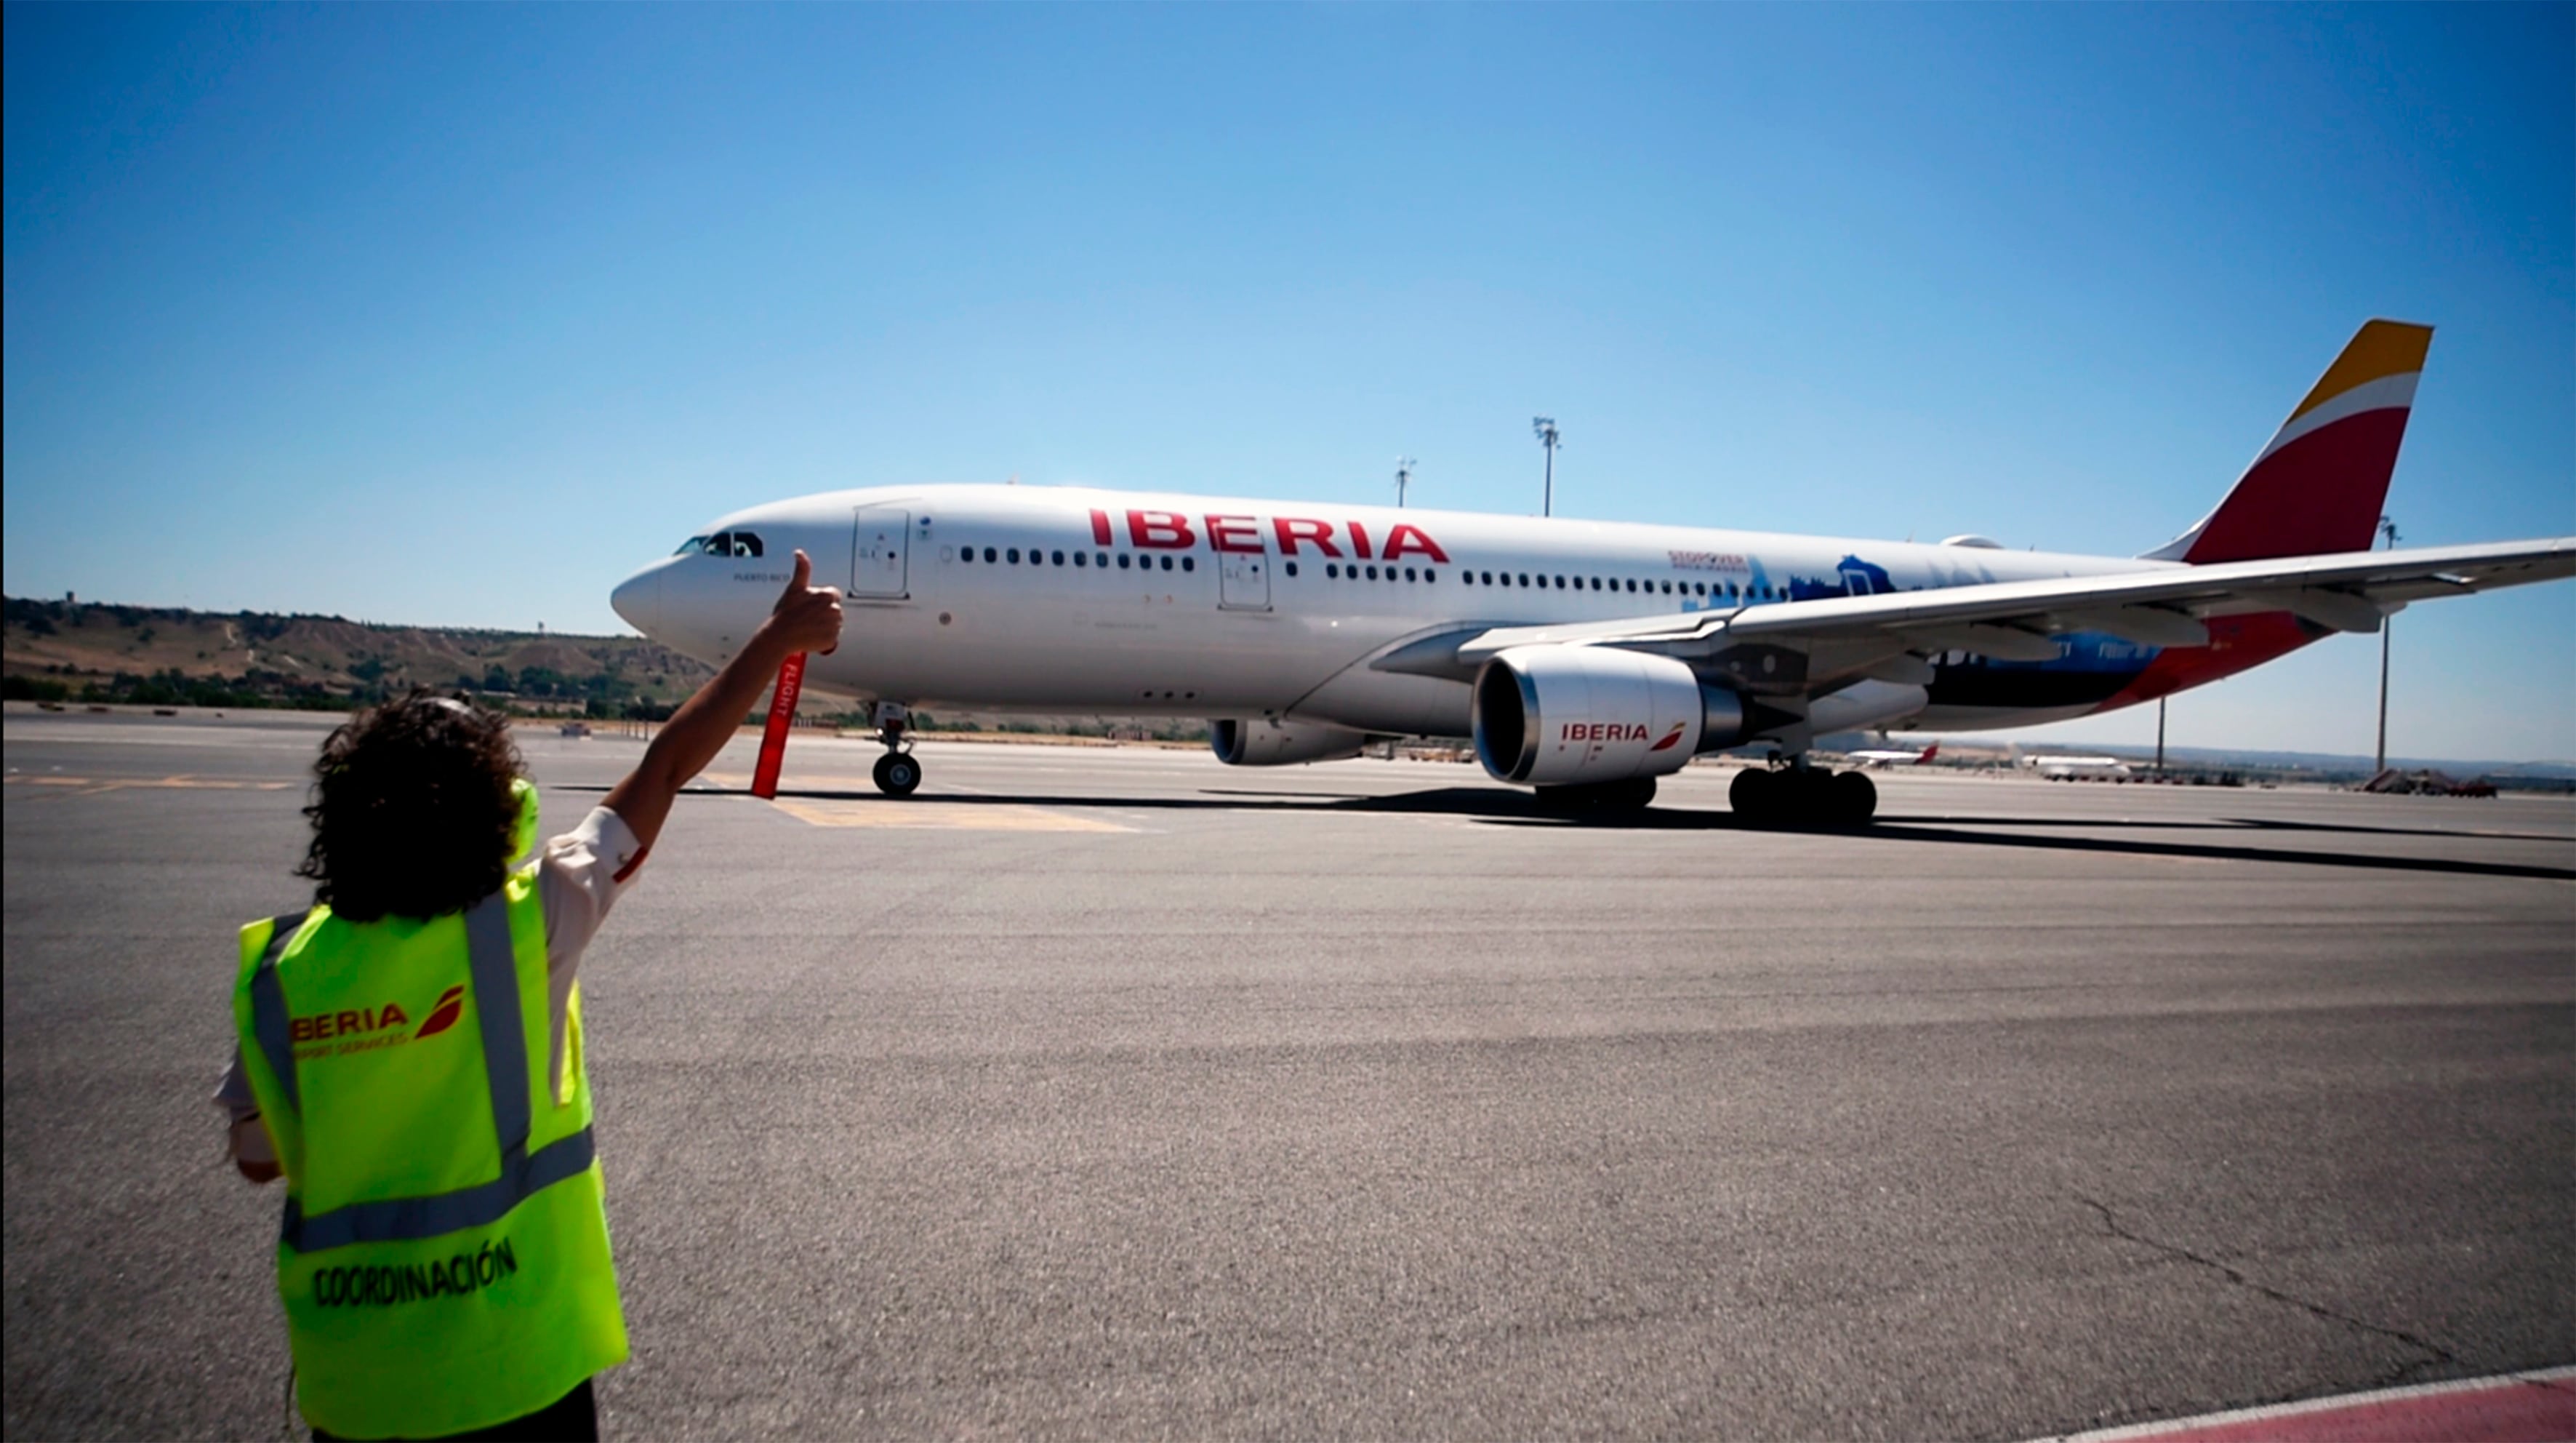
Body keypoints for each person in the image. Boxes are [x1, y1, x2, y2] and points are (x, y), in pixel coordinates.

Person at [217, 553, 843, 1442]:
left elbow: (257, 1159)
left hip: (355, 1389)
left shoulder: (280, 971)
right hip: (517, 1367)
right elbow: (664, 768)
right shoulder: (529, 927)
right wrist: (778, 641)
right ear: (504, 812)